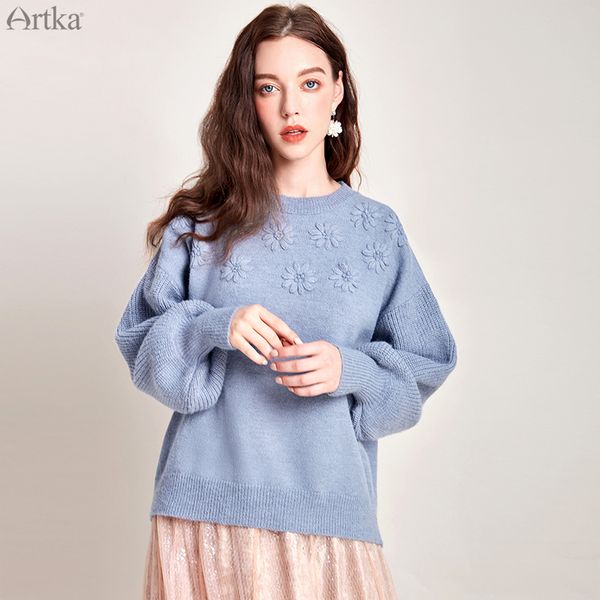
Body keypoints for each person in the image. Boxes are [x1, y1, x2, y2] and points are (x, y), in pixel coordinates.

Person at [114, 3, 458, 598]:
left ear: (338, 91)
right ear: (246, 102)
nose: (291, 107)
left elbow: (425, 367)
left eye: (310, 83)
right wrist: (214, 326)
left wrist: (350, 369)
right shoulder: (203, 224)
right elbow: (141, 346)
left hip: (331, 516)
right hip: (205, 515)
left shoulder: (377, 231)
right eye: (268, 87)